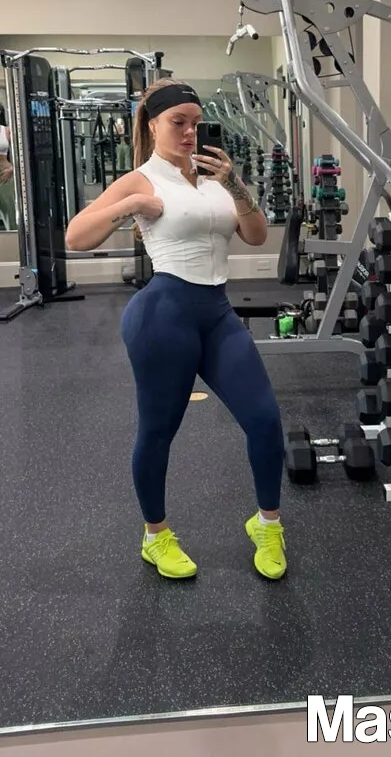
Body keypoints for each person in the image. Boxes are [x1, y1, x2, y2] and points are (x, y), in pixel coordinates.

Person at [66, 79, 286, 581]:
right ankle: (156, 536)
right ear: (152, 126)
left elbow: (255, 236)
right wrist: (130, 207)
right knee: (159, 431)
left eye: (195, 123)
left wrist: (235, 184)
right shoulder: (141, 179)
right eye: (177, 122)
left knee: (264, 420)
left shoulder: (215, 179)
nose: (189, 132)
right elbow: (76, 236)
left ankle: (267, 525)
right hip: (162, 317)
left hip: (218, 314)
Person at [0, 105, 16, 231]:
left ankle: (16, 240)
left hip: (4, 176)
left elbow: (23, 154)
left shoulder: (6, 131)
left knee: (10, 215)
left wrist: (12, 170)